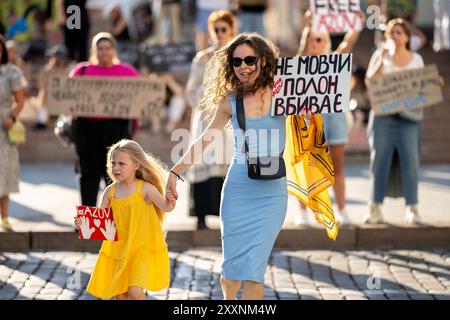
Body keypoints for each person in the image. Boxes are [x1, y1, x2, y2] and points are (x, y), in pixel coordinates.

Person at [167, 33, 289, 300]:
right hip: (238, 189)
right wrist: (175, 171)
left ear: (263, 61)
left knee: (254, 272)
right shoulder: (229, 101)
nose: (243, 66)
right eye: (237, 62)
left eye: (249, 59)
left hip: (272, 193)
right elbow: (203, 141)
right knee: (231, 275)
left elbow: (315, 110)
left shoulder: (284, 91)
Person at [75, 139, 175, 300]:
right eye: (113, 163)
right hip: (118, 250)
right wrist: (83, 223)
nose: (116, 168)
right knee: (121, 294)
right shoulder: (110, 192)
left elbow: (166, 207)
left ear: (136, 165)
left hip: (140, 248)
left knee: (135, 292)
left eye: (121, 164)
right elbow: (99, 219)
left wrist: (170, 200)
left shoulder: (145, 189)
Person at [293, 10, 364, 226]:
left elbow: (350, 40)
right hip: (308, 119)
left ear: (326, 42)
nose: (315, 43)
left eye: (319, 39)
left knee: (337, 166)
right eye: (312, 39)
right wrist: (309, 24)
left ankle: (341, 210)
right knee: (307, 165)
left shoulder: (335, 60)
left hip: (335, 118)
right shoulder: (300, 63)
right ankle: (302, 212)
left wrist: (357, 21)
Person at [364, 18, 437, 224]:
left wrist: (434, 82)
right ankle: (374, 207)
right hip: (383, 117)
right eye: (391, 33)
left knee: (410, 161)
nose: (395, 36)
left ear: (407, 37)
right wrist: (382, 58)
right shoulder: (380, 55)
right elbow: (369, 81)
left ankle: (412, 207)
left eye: (399, 33)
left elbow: (423, 87)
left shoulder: (416, 59)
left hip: (409, 118)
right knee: (379, 161)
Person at [69, 32, 140, 207]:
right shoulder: (81, 71)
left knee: (116, 174)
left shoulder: (128, 72)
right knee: (88, 174)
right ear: (94, 50)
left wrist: (133, 128)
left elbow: (139, 101)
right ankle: (88, 220)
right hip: (86, 129)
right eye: (100, 48)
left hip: (116, 128)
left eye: (108, 48)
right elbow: (68, 97)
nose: (104, 52)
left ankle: (114, 218)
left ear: (114, 50)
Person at [185, 10, 237, 230]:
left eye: (223, 29)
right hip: (206, 117)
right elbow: (191, 89)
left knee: (228, 164)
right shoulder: (202, 58)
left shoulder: (238, 56)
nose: (219, 34)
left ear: (231, 30)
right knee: (202, 158)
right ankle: (201, 215)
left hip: (230, 119)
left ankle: (230, 216)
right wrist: (209, 100)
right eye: (216, 29)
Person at [0, 35, 28, 231]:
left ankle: (5, 217)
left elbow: (20, 100)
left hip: (3, 125)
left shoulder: (11, 72)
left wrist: (13, 117)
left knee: (4, 170)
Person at [35, 44, 72, 129]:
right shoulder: (46, 70)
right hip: (49, 96)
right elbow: (42, 85)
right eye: (56, 57)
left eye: (60, 57)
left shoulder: (69, 70)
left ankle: (67, 121)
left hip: (64, 96)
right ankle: (42, 121)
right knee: (43, 95)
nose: (58, 59)